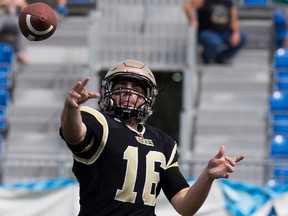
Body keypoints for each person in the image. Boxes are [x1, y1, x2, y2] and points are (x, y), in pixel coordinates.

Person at [60, 59, 244, 215]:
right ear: (109, 91)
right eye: (121, 86)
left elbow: (184, 205)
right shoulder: (97, 121)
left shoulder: (163, 142)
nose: (128, 91)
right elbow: (74, 135)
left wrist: (207, 176)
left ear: (148, 97)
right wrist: (71, 107)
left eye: (136, 88)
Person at [183, 0, 248, 64]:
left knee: (243, 37)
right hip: (208, 32)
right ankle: (207, 57)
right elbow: (187, 5)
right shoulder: (203, 1)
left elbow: (234, 20)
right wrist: (192, 20)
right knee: (214, 43)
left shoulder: (229, 3)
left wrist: (236, 32)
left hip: (225, 32)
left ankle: (221, 57)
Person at [0, 0, 28, 64]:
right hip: (2, 16)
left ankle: (21, 53)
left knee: (22, 26)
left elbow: (27, 10)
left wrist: (20, 4)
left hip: (15, 17)